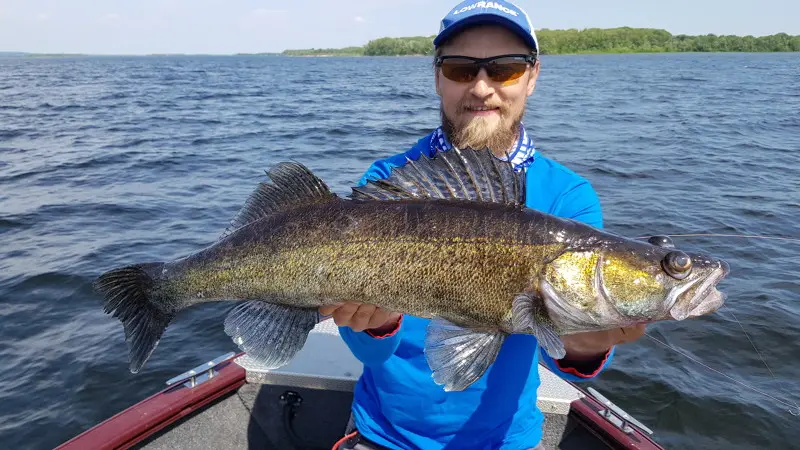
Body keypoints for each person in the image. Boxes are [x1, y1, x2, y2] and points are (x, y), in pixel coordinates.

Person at [321, 1, 646, 449]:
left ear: (532, 77)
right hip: (384, 433)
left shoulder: (568, 197)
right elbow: (372, 354)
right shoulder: (388, 181)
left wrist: (588, 342)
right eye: (459, 69)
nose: (481, 87)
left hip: (506, 440)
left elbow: (562, 358)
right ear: (437, 77)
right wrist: (373, 326)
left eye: (505, 69)